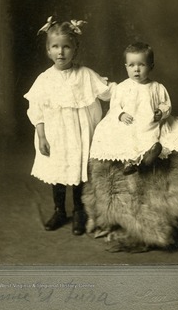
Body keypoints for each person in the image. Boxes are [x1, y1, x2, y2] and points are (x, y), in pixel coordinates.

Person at [24, 16, 115, 235]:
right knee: (58, 171)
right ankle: (59, 210)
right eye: (55, 47)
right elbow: (36, 110)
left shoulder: (85, 75)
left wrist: (131, 90)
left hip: (78, 134)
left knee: (77, 170)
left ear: (75, 49)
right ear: (48, 51)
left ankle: (79, 212)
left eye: (66, 47)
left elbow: (108, 92)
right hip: (55, 135)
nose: (60, 52)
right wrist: (42, 136)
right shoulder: (44, 79)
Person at [90, 41, 178, 175]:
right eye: (131, 65)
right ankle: (130, 162)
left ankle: (148, 155)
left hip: (148, 121)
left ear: (151, 66)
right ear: (126, 67)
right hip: (128, 121)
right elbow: (114, 106)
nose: (136, 69)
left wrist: (161, 112)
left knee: (150, 134)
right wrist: (121, 114)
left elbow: (165, 104)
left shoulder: (156, 87)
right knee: (124, 135)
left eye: (141, 65)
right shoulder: (122, 88)